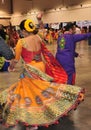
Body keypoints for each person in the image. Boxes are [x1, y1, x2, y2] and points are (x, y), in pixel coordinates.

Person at [0, 19, 84, 130]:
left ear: (24, 30)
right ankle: (46, 113)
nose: (21, 32)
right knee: (41, 92)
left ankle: (34, 122)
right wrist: (40, 20)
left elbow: (15, 59)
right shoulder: (38, 38)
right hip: (41, 67)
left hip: (30, 69)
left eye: (21, 30)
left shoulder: (22, 41)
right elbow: (45, 49)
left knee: (30, 94)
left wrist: (11, 67)